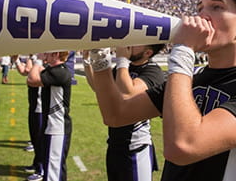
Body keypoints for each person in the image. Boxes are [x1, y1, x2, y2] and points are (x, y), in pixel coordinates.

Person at [88, 0, 236, 181]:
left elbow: (183, 146)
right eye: (200, 8)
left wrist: (183, 50)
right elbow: (116, 114)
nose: (202, 16)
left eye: (216, 6)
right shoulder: (192, 76)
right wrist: (98, 52)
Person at [83, 45, 165, 181]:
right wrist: (87, 61)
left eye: (137, 44)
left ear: (147, 53)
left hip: (135, 148)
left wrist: (122, 60)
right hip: (115, 144)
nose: (130, 44)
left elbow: (127, 93)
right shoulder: (124, 67)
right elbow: (99, 88)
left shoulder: (153, 72)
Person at [27, 51, 72, 181]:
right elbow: (31, 73)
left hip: (57, 128)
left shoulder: (60, 72)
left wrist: (38, 61)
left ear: (56, 54)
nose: (45, 54)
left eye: (48, 53)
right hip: (52, 126)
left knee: (54, 171)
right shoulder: (54, 70)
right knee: (51, 167)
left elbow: (31, 79)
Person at [12, 54, 44, 180]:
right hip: (34, 104)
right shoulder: (36, 58)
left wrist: (34, 60)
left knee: (40, 138)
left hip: (40, 106)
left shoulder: (41, 61)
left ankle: (41, 169)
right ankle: (37, 164)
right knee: (34, 136)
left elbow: (30, 78)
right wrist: (16, 60)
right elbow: (24, 71)